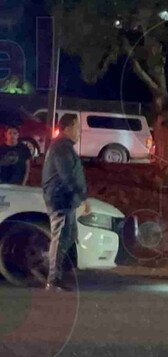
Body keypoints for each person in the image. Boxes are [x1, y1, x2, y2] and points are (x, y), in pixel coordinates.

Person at [41, 114, 90, 291]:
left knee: (68, 237)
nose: (79, 132)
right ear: (67, 129)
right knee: (61, 237)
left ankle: (52, 266)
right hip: (60, 200)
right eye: (77, 128)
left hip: (66, 200)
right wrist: (83, 197)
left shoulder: (64, 147)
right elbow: (68, 176)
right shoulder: (62, 148)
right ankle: (53, 279)